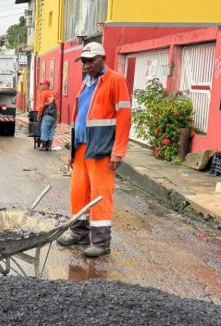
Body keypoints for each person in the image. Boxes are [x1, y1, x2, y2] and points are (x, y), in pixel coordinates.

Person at [55, 42, 131, 258]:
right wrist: (72, 152)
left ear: (102, 59)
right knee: (78, 192)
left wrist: (118, 152)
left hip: (102, 148)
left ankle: (100, 242)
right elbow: (79, 118)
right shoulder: (85, 83)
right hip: (81, 149)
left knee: (100, 195)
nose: (86, 65)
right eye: (84, 61)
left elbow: (124, 118)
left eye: (91, 61)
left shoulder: (115, 80)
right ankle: (79, 232)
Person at [37, 80, 57, 150]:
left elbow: (41, 106)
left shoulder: (44, 93)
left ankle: (44, 146)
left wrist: (39, 114)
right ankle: (49, 147)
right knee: (51, 130)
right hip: (54, 115)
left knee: (44, 129)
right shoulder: (52, 93)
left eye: (42, 85)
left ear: (46, 86)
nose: (41, 86)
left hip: (47, 115)